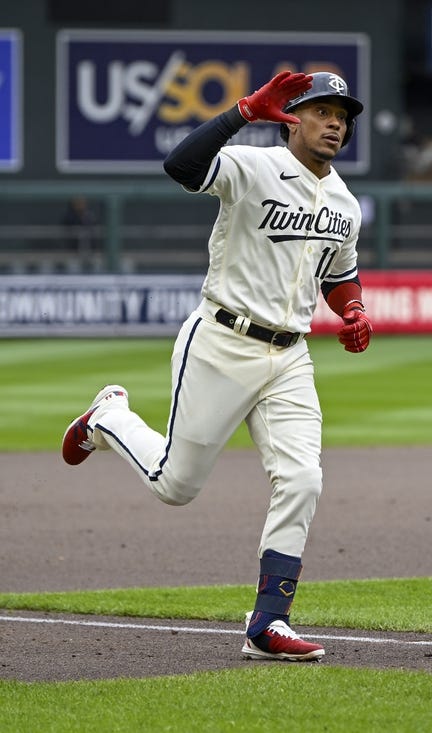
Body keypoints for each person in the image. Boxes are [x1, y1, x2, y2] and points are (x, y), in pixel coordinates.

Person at [60, 71, 374, 661]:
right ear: (293, 118)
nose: (336, 122)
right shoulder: (251, 167)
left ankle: (268, 622)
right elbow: (180, 166)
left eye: (343, 115)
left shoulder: (345, 202)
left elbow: (339, 275)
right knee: (176, 486)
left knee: (303, 479)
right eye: (323, 110)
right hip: (222, 342)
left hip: (290, 358)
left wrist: (353, 309)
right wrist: (240, 112)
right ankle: (109, 418)